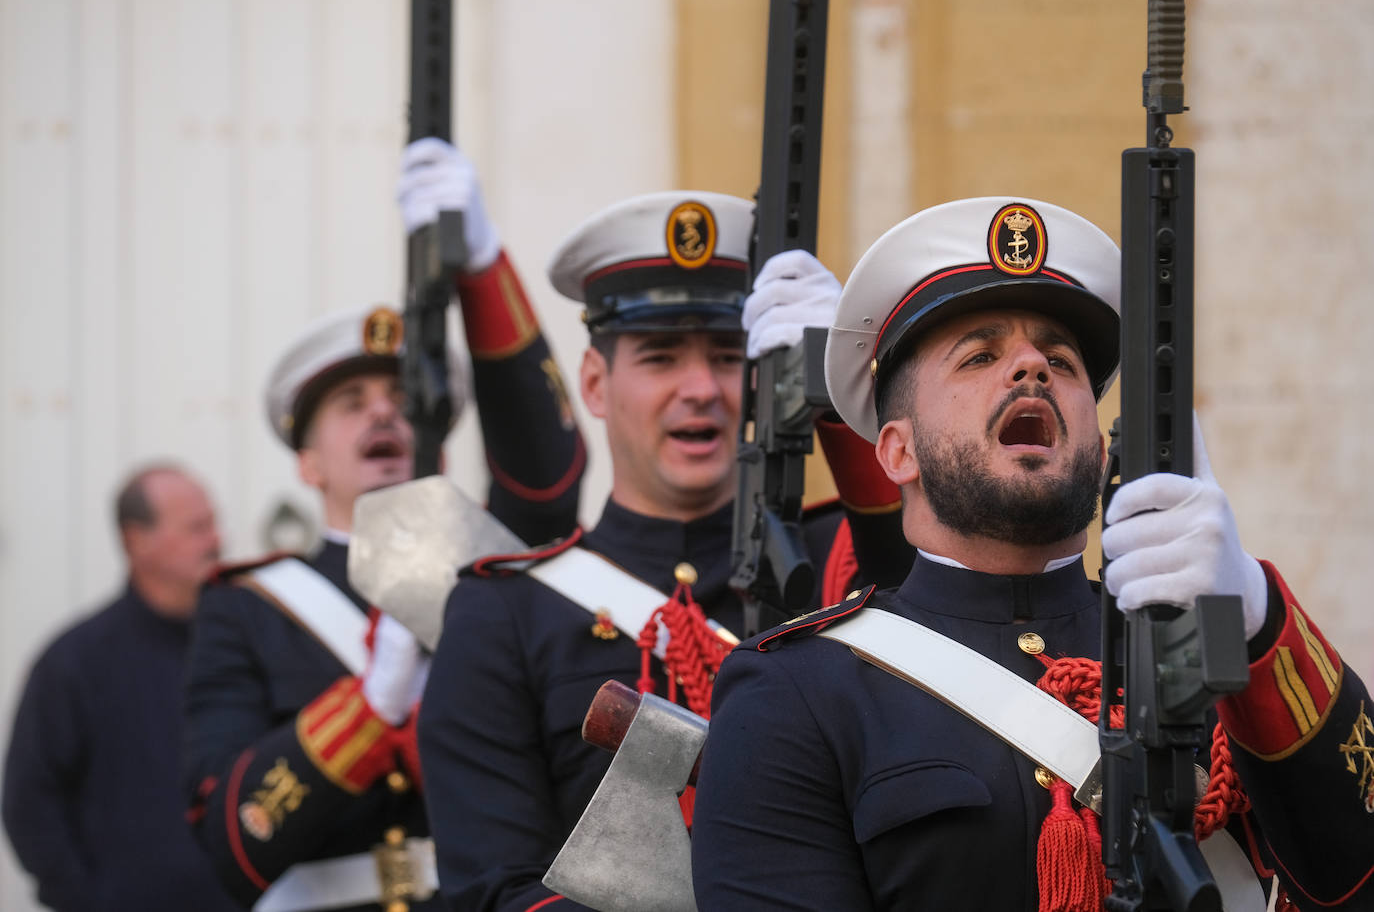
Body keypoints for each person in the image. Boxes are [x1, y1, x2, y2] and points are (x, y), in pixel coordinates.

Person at [690, 196, 1374, 909]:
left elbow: (1355, 876)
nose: (1030, 369)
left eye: (1061, 360)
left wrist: (1254, 614)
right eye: (981, 355)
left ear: (1102, 447)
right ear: (898, 450)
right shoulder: (797, 693)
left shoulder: (1206, 659)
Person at [417, 190, 915, 911]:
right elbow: (492, 888)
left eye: (725, 356)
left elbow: (929, 588)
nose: (701, 389)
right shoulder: (504, 616)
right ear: (595, 383)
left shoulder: (839, 553)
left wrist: (839, 386)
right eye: (659, 357)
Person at [181, 138, 586, 912]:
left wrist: (481, 265)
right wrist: (370, 706)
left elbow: (549, 478)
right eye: (351, 403)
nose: (381, 413)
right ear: (308, 463)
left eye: (402, 398)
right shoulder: (247, 608)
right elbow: (233, 838)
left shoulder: (487, 575)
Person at [2, 465, 237, 912]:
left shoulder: (242, 648)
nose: (216, 541)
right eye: (196, 528)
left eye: (213, 523)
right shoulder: (74, 663)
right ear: (136, 541)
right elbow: (29, 804)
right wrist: (87, 901)